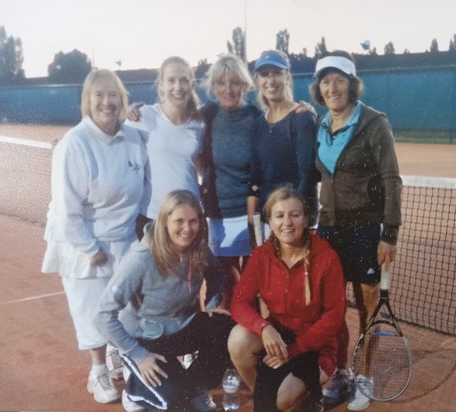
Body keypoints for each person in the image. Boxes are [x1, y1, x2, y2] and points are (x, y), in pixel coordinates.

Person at [41, 69, 147, 404]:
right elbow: (67, 210)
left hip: (124, 237)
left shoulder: (134, 138)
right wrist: (90, 248)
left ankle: (120, 359)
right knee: (91, 310)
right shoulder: (74, 144)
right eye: (98, 95)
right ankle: (98, 372)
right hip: (83, 243)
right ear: (87, 101)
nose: (106, 101)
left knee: (127, 310)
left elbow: (145, 188)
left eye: (112, 94)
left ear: (122, 99)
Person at [309, 51, 403, 411]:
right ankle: (342, 373)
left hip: (366, 230)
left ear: (352, 84)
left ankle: (364, 375)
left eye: (339, 80)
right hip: (329, 231)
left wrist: (389, 233)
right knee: (332, 310)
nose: (332, 87)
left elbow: (392, 179)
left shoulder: (374, 123)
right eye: (326, 81)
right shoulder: (320, 125)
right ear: (319, 88)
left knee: (367, 309)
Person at [95, 190, 234, 412]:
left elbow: (217, 275)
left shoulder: (198, 249)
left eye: (193, 221)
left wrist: (211, 306)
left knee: (226, 327)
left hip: (179, 328)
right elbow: (102, 316)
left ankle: (193, 385)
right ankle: (135, 390)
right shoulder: (141, 259)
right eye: (179, 221)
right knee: (177, 404)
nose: (187, 229)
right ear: (164, 221)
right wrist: (138, 355)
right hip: (144, 339)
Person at [228, 185, 346, 412]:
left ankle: (304, 397)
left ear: (306, 220)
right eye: (279, 216)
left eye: (295, 215)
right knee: (238, 339)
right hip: (278, 336)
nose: (287, 223)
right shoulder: (262, 255)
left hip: (315, 347)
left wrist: (294, 350)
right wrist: (263, 327)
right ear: (270, 222)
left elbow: (334, 317)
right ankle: (264, 395)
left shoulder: (327, 258)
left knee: (280, 400)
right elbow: (239, 302)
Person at [199, 53, 262, 308]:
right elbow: (174, 118)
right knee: (226, 282)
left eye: (235, 82)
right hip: (219, 214)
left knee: (251, 283)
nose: (228, 89)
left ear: (245, 85)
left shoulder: (256, 118)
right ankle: (226, 341)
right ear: (213, 87)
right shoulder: (208, 114)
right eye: (221, 83)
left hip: (252, 214)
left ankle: (250, 340)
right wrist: (138, 112)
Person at [125, 56, 205, 239]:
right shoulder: (142, 117)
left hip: (190, 218)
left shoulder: (200, 123)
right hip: (153, 218)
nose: (178, 87)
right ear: (161, 85)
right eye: (171, 80)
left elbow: (201, 166)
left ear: (191, 84)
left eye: (184, 80)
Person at [248, 50, 318, 237]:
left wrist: (293, 219)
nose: (270, 80)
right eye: (264, 74)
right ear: (258, 81)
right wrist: (254, 226)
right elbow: (255, 178)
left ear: (287, 77)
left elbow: (307, 176)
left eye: (276, 73)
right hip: (269, 220)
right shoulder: (258, 124)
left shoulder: (302, 118)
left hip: (295, 222)